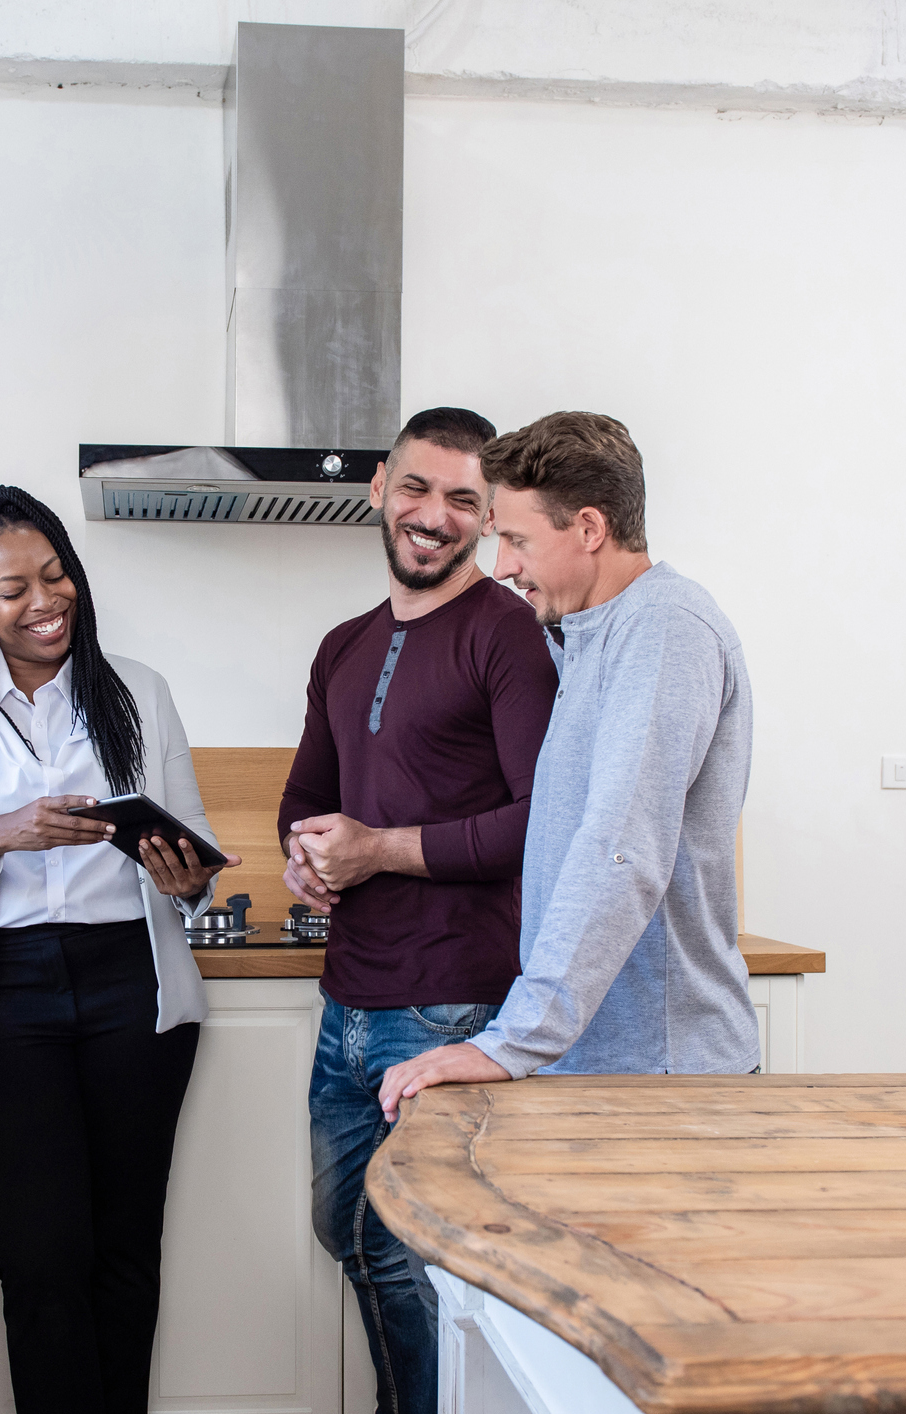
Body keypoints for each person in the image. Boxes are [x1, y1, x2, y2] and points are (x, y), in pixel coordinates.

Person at [0, 485, 240, 1414]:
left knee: (125, 1251)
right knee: (41, 1262)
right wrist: (1, 833)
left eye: (56, 574)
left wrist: (183, 874)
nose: (45, 600)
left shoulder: (138, 691)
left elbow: (194, 844)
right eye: (13, 589)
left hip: (133, 987)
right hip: (4, 997)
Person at [279, 407, 559, 1414]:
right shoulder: (342, 645)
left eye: (461, 500)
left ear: (487, 520)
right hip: (349, 999)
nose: (432, 515)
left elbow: (540, 821)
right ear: (378, 489)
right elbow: (305, 793)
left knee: (421, 1253)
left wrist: (377, 849)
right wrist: (303, 858)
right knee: (347, 1229)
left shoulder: (510, 635)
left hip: (454, 1006)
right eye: (416, 488)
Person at [378, 411, 758, 1124]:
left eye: (517, 540)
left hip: (660, 1074)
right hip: (600, 1063)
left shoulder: (665, 628)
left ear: (588, 529)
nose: (502, 567)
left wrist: (515, 1040)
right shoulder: (586, 635)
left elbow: (623, 846)